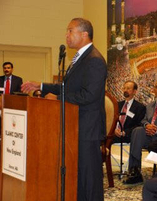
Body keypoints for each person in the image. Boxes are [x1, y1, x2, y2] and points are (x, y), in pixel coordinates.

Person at [21, 18, 107, 201]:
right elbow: (67, 87)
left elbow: (89, 95)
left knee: (88, 178)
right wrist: (41, 86)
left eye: (70, 31)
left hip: (87, 128)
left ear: (84, 34)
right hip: (74, 124)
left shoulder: (95, 60)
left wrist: (58, 99)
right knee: (77, 175)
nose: (66, 35)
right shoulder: (80, 58)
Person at [123, 79, 157, 184]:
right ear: (153, 89)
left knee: (139, 133)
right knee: (137, 131)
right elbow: (144, 119)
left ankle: (136, 169)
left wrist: (155, 129)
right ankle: (135, 170)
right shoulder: (150, 105)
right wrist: (147, 126)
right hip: (147, 134)